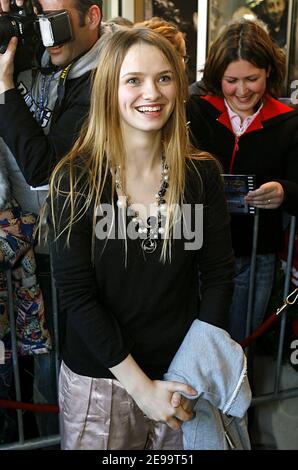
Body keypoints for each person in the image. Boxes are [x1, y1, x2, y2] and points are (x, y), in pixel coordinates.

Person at [47, 27, 235, 450]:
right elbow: (77, 295)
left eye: (164, 78)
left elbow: (219, 277)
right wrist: (141, 388)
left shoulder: (201, 175)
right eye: (133, 80)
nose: (152, 92)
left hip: (180, 379)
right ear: (109, 89)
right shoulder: (75, 179)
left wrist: (191, 371)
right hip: (102, 383)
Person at [0, 0, 103, 439]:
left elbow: (46, 168)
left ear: (92, 16)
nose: (46, 33)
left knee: (59, 376)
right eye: (37, 19)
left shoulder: (108, 74)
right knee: (33, 372)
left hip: (77, 249)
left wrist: (3, 88)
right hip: (26, 250)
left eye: (55, 20)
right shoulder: (42, 59)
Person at [187, 19, 298, 343]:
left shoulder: (289, 121)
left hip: (256, 251)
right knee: (194, 340)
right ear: (217, 77)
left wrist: (284, 191)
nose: (242, 90)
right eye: (231, 80)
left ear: (268, 73)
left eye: (252, 79)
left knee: (239, 342)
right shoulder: (197, 111)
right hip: (198, 247)